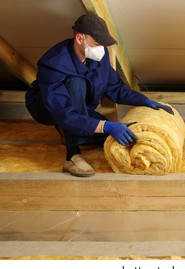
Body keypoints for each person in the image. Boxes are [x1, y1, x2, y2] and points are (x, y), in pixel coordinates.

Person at [25, 13, 173, 177]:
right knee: (77, 84)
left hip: (77, 106)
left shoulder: (98, 57)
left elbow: (115, 87)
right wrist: (106, 126)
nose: (100, 48)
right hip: (47, 106)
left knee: (109, 138)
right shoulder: (54, 63)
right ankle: (71, 155)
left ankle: (69, 131)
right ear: (80, 38)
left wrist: (144, 101)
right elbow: (63, 112)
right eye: (96, 43)